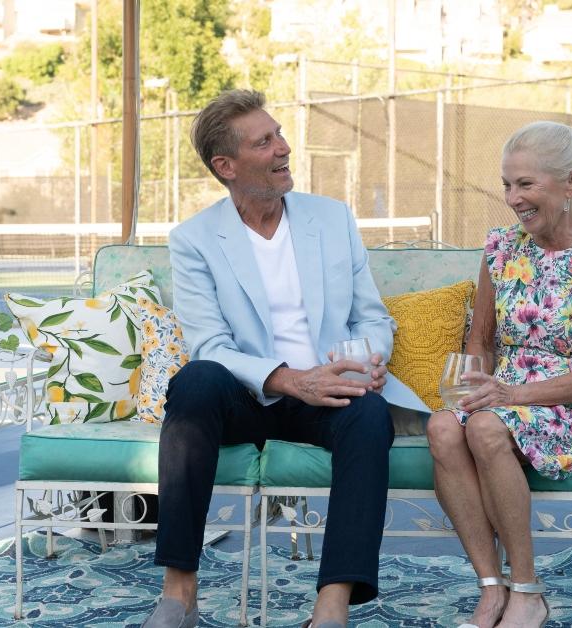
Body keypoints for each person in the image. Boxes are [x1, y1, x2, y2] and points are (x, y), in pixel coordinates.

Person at [142, 89, 429, 628]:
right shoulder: (195, 239)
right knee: (195, 379)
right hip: (246, 395)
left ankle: (332, 607)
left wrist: (365, 361)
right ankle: (179, 593)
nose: (284, 148)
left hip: (328, 394)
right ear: (226, 166)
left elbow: (371, 317)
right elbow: (210, 344)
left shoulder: (332, 218)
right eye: (265, 141)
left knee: (369, 414)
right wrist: (292, 380)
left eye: (279, 134)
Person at [426, 121, 572, 628]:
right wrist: (472, 386)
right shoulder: (501, 249)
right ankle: (491, 586)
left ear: (570, 184)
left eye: (526, 184)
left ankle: (528, 591)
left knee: (486, 427)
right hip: (507, 390)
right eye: (507, 184)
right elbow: (481, 339)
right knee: (443, 427)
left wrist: (508, 394)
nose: (512, 198)